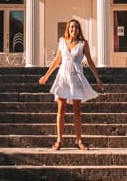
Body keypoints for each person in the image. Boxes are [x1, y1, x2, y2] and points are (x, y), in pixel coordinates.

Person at [39, 18, 104, 150]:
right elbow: (57, 61)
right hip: (63, 78)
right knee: (61, 110)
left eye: (76, 27)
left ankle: (79, 140)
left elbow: (90, 61)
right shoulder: (62, 42)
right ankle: (59, 140)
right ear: (68, 29)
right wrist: (46, 76)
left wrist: (97, 78)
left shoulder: (83, 43)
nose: (74, 29)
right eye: (71, 27)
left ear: (79, 30)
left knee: (77, 110)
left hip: (77, 79)